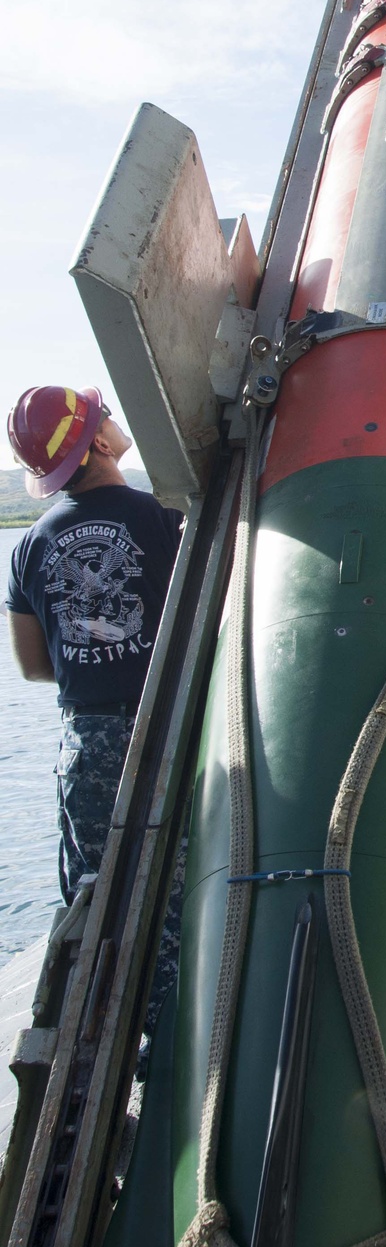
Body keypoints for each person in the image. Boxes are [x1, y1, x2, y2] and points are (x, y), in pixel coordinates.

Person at [6, 385, 183, 1018]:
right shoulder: (169, 519)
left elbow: (32, 666)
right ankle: (166, 1063)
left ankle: (84, 1068)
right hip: (173, 730)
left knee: (94, 902)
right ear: (99, 442)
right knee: (176, 901)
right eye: (105, 413)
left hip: (88, 748)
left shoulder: (27, 548)